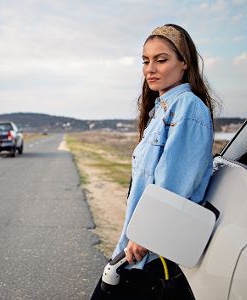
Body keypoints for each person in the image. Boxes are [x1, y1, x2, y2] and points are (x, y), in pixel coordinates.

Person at [91, 24, 217, 299]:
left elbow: (174, 184)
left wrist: (144, 237)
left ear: (184, 63)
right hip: (137, 243)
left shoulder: (187, 107)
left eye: (161, 60)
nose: (151, 68)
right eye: (146, 61)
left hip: (149, 251)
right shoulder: (160, 111)